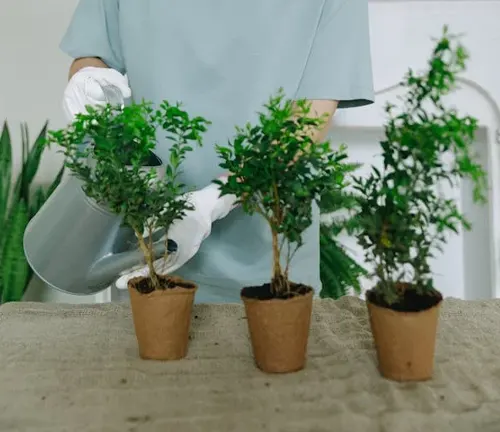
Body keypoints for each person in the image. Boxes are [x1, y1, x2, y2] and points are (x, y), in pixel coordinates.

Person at [60, 0, 374, 303]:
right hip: (145, 250)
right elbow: (93, 55)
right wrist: (87, 79)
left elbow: (308, 117)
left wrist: (221, 196)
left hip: (268, 266)